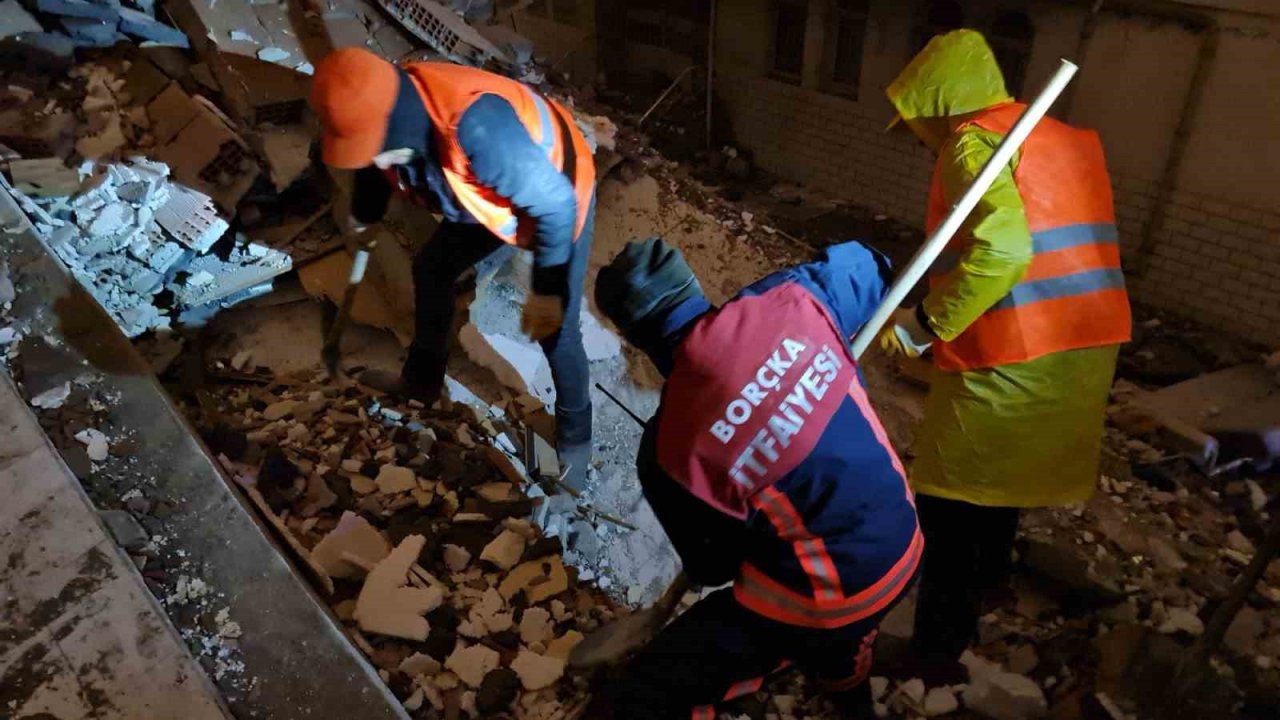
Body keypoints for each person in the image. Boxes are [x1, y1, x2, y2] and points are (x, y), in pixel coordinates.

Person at [879, 30, 1131, 679]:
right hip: (1082, 339)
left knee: (951, 500)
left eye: (915, 123)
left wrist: (925, 324)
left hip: (1018, 348)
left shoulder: (973, 144)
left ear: (935, 105)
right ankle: (989, 585)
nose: (916, 139)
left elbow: (1003, 252)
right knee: (999, 483)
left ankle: (934, 656)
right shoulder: (1054, 136)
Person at [592, 237, 922, 719]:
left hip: (835, 595)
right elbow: (875, 262)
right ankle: (846, 684)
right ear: (691, 285)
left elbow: (715, 568)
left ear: (632, 335)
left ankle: (822, 655)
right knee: (834, 641)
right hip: (906, 533)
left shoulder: (668, 448)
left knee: (648, 693)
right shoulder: (795, 297)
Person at [309, 48, 597, 486]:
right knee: (432, 269)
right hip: (482, 198)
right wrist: (365, 218)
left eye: (379, 150)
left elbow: (556, 204)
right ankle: (421, 383)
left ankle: (575, 445)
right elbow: (374, 163)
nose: (377, 158)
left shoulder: (478, 132)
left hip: (558, 188)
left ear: (396, 131)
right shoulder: (386, 106)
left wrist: (547, 288)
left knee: (556, 327)